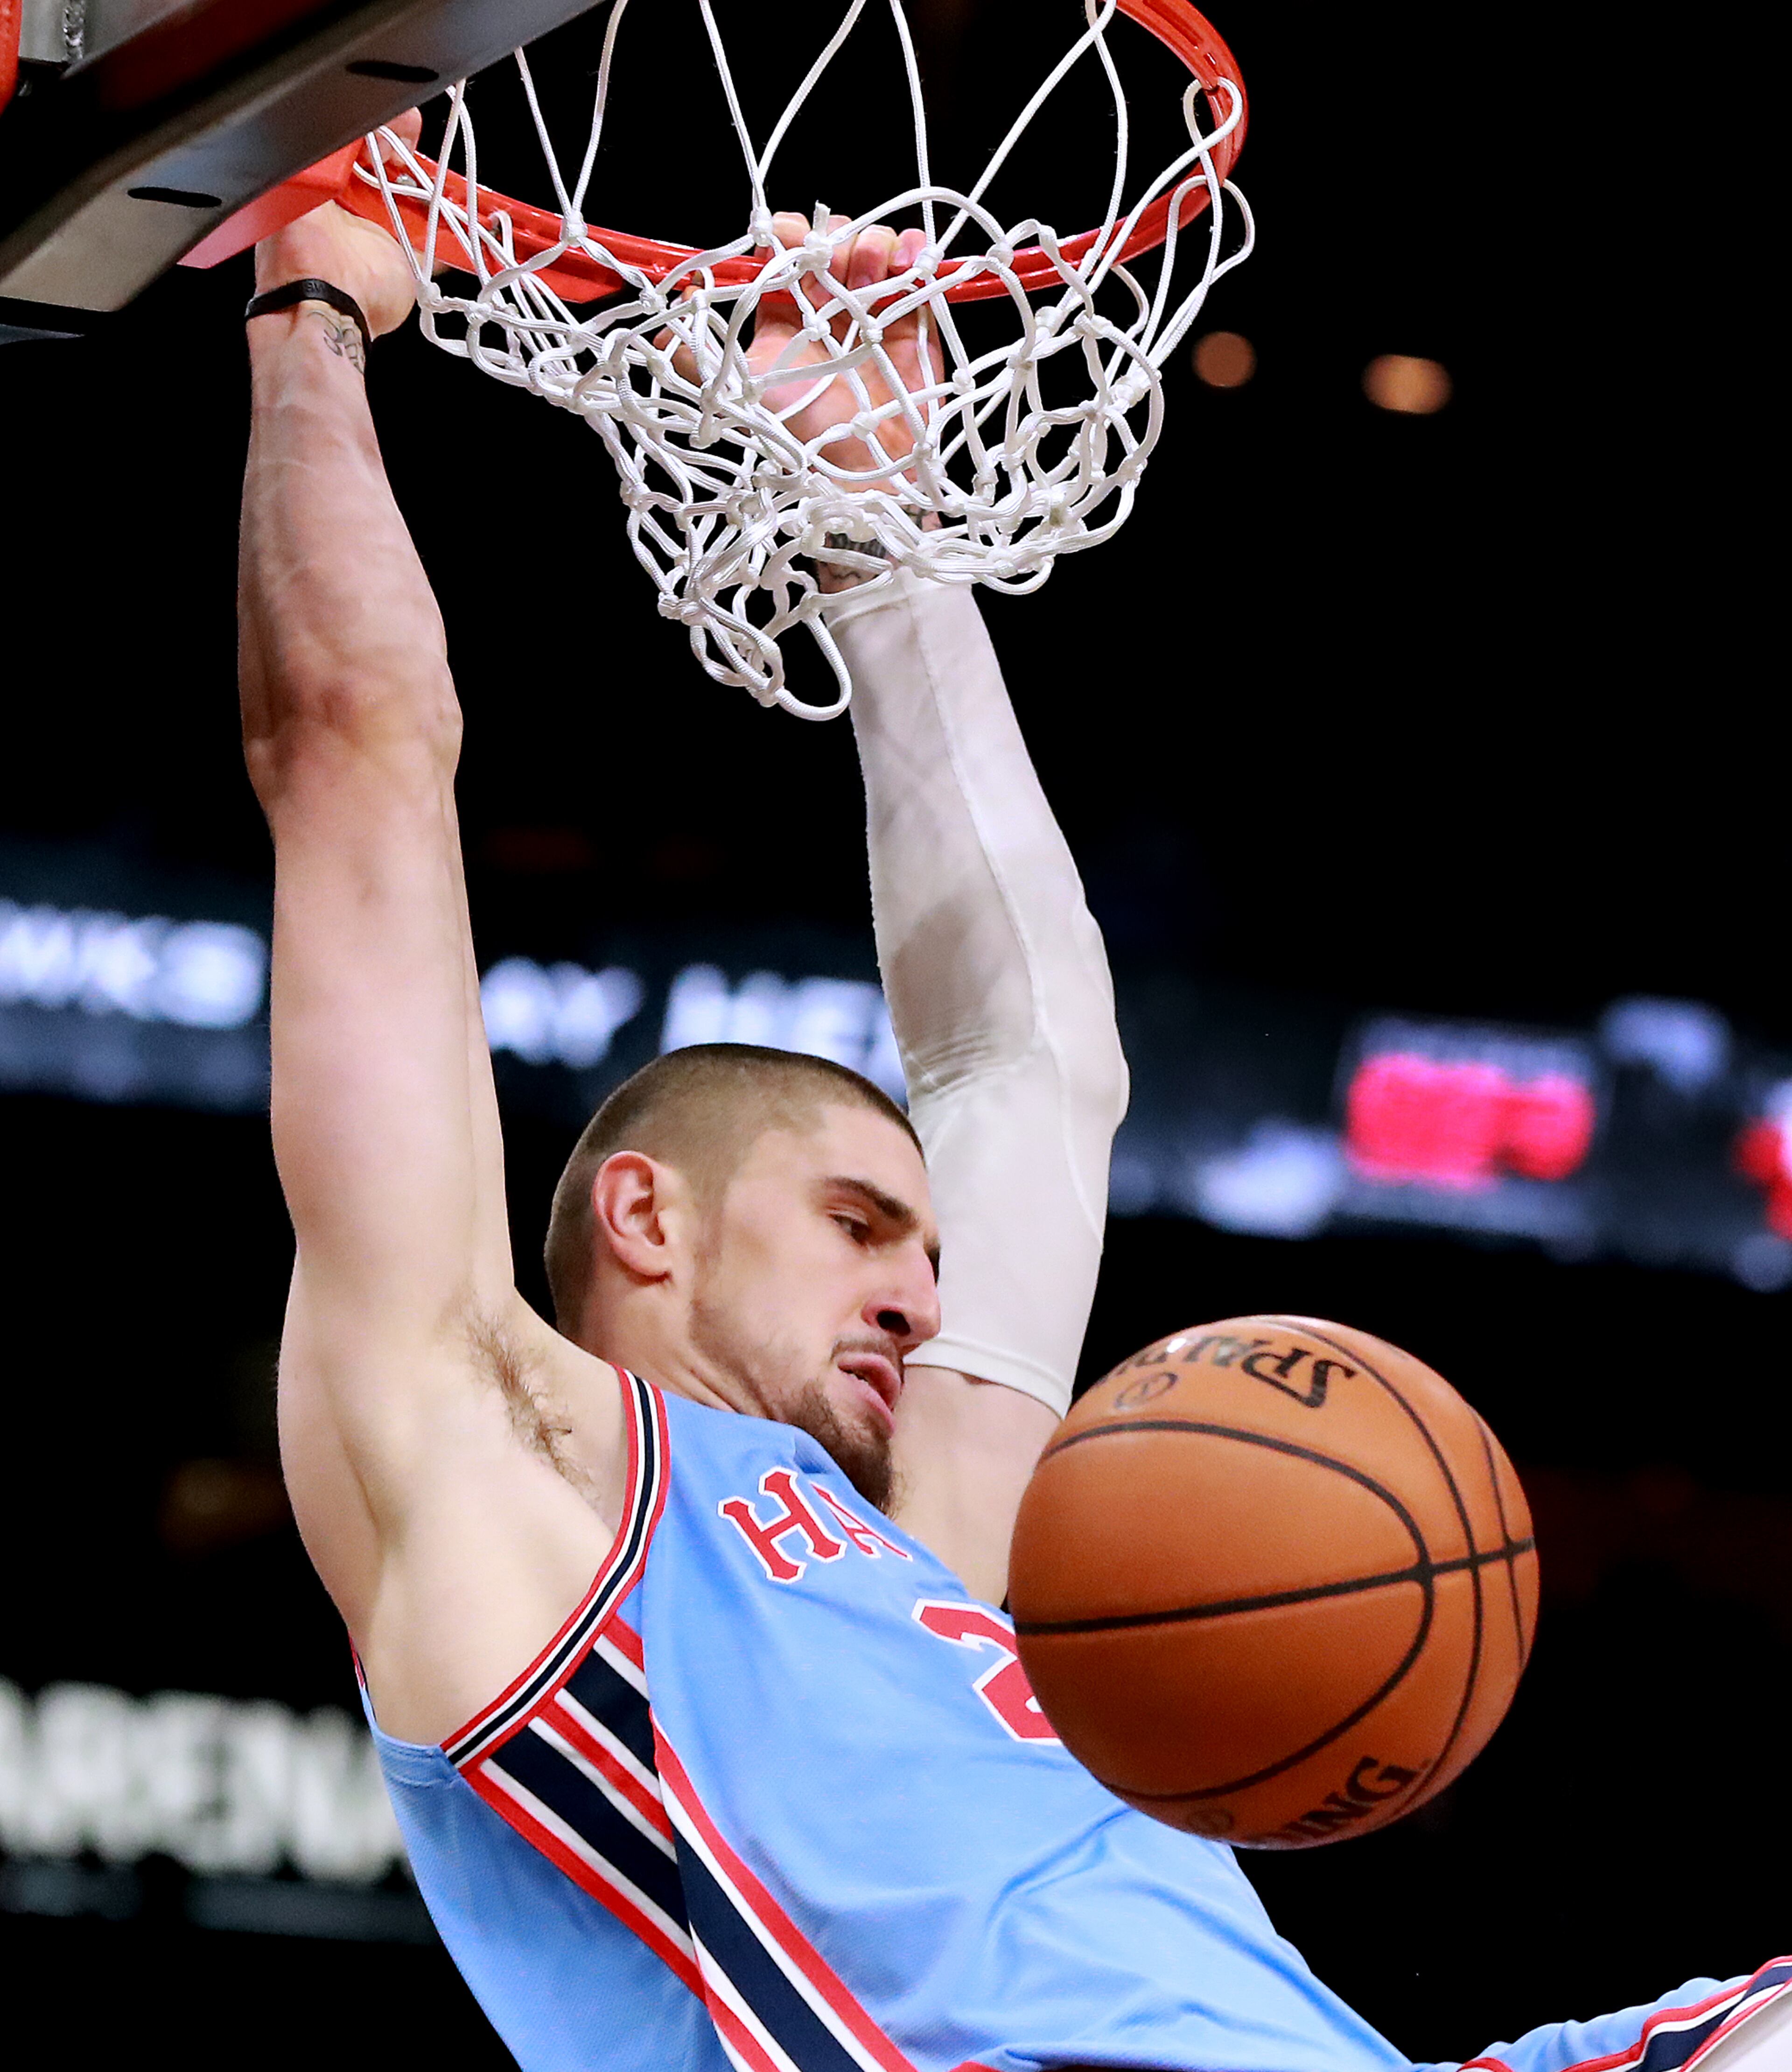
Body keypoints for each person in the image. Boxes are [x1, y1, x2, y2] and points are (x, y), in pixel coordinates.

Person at [238, 138, 1786, 2072]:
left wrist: (867, 526)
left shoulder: (943, 1543)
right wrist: (313, 315)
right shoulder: (488, 1459)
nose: (925, 1291)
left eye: (922, 1245)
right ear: (645, 1217)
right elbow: (358, 752)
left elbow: (1033, 1062)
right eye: (858, 1227)